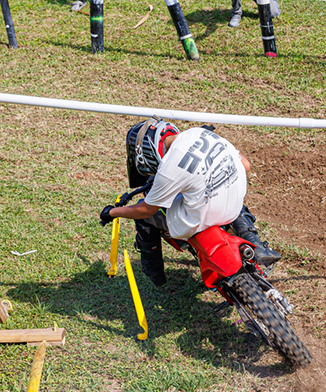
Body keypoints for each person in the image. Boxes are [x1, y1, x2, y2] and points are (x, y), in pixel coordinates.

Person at [99, 117, 281, 286]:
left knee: (146, 219)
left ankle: (155, 274)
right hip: (234, 203)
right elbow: (246, 165)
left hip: (200, 218)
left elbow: (146, 210)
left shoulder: (169, 167)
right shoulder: (201, 133)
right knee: (220, 191)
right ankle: (255, 243)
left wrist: (112, 212)